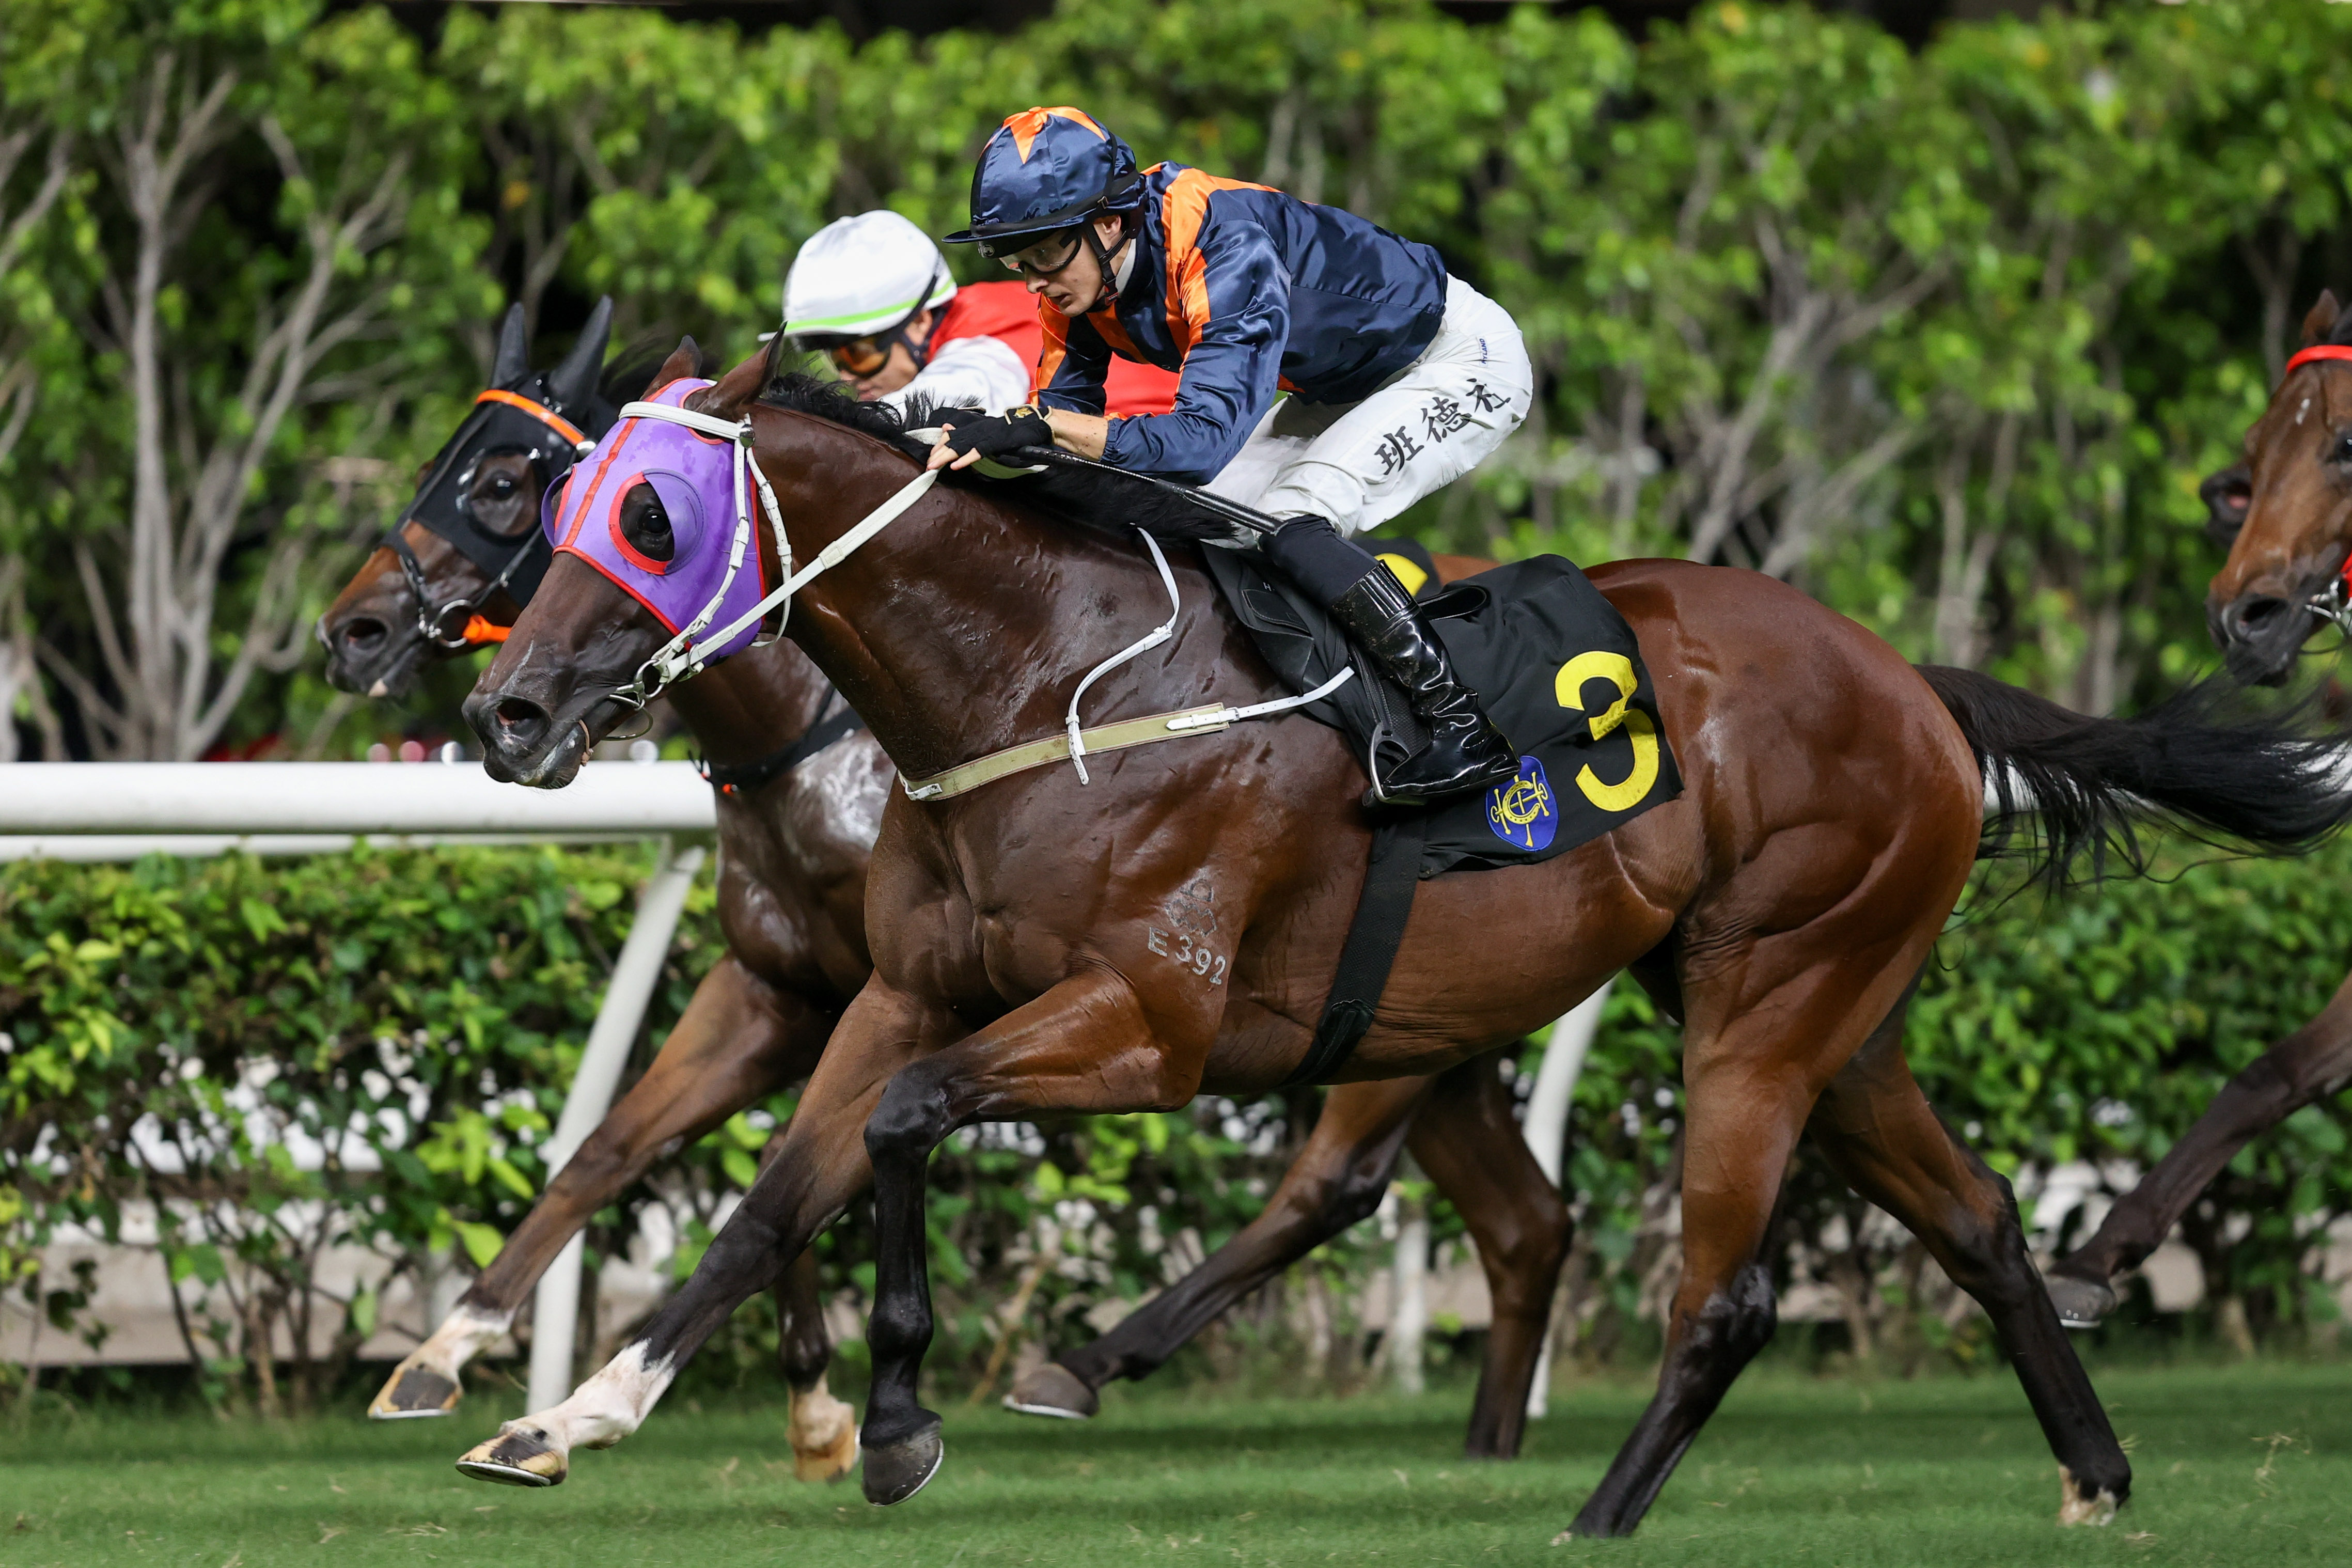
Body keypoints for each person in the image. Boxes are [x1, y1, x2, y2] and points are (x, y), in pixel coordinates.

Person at [931, 107, 1532, 806]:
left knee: (1290, 519)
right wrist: (996, 445)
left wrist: (1040, 430)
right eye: (1012, 257)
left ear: (1105, 224)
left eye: (1040, 253)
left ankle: (1462, 725)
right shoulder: (1076, 280)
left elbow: (1197, 444)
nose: (1030, 280)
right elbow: (1068, 440)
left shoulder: (1223, 246)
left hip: (1456, 359)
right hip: (1344, 381)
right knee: (1195, 519)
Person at [778, 209, 1178, 417]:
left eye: (857, 354)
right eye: (836, 360)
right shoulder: (979, 306)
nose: (847, 376)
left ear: (919, 322)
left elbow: (956, 393)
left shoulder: (981, 346)